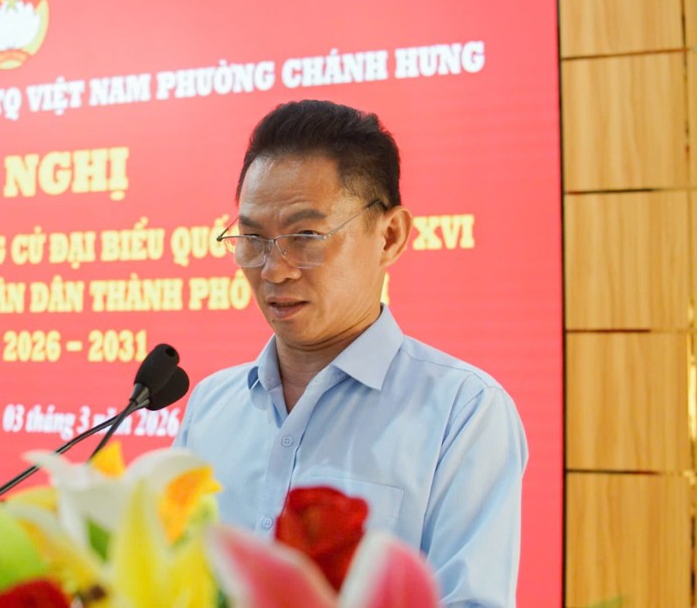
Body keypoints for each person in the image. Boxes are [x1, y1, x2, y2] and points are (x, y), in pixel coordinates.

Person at [173, 100, 527, 607]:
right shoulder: (212, 405)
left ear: (390, 236)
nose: (274, 270)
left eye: (305, 236)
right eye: (252, 238)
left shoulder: (462, 411)